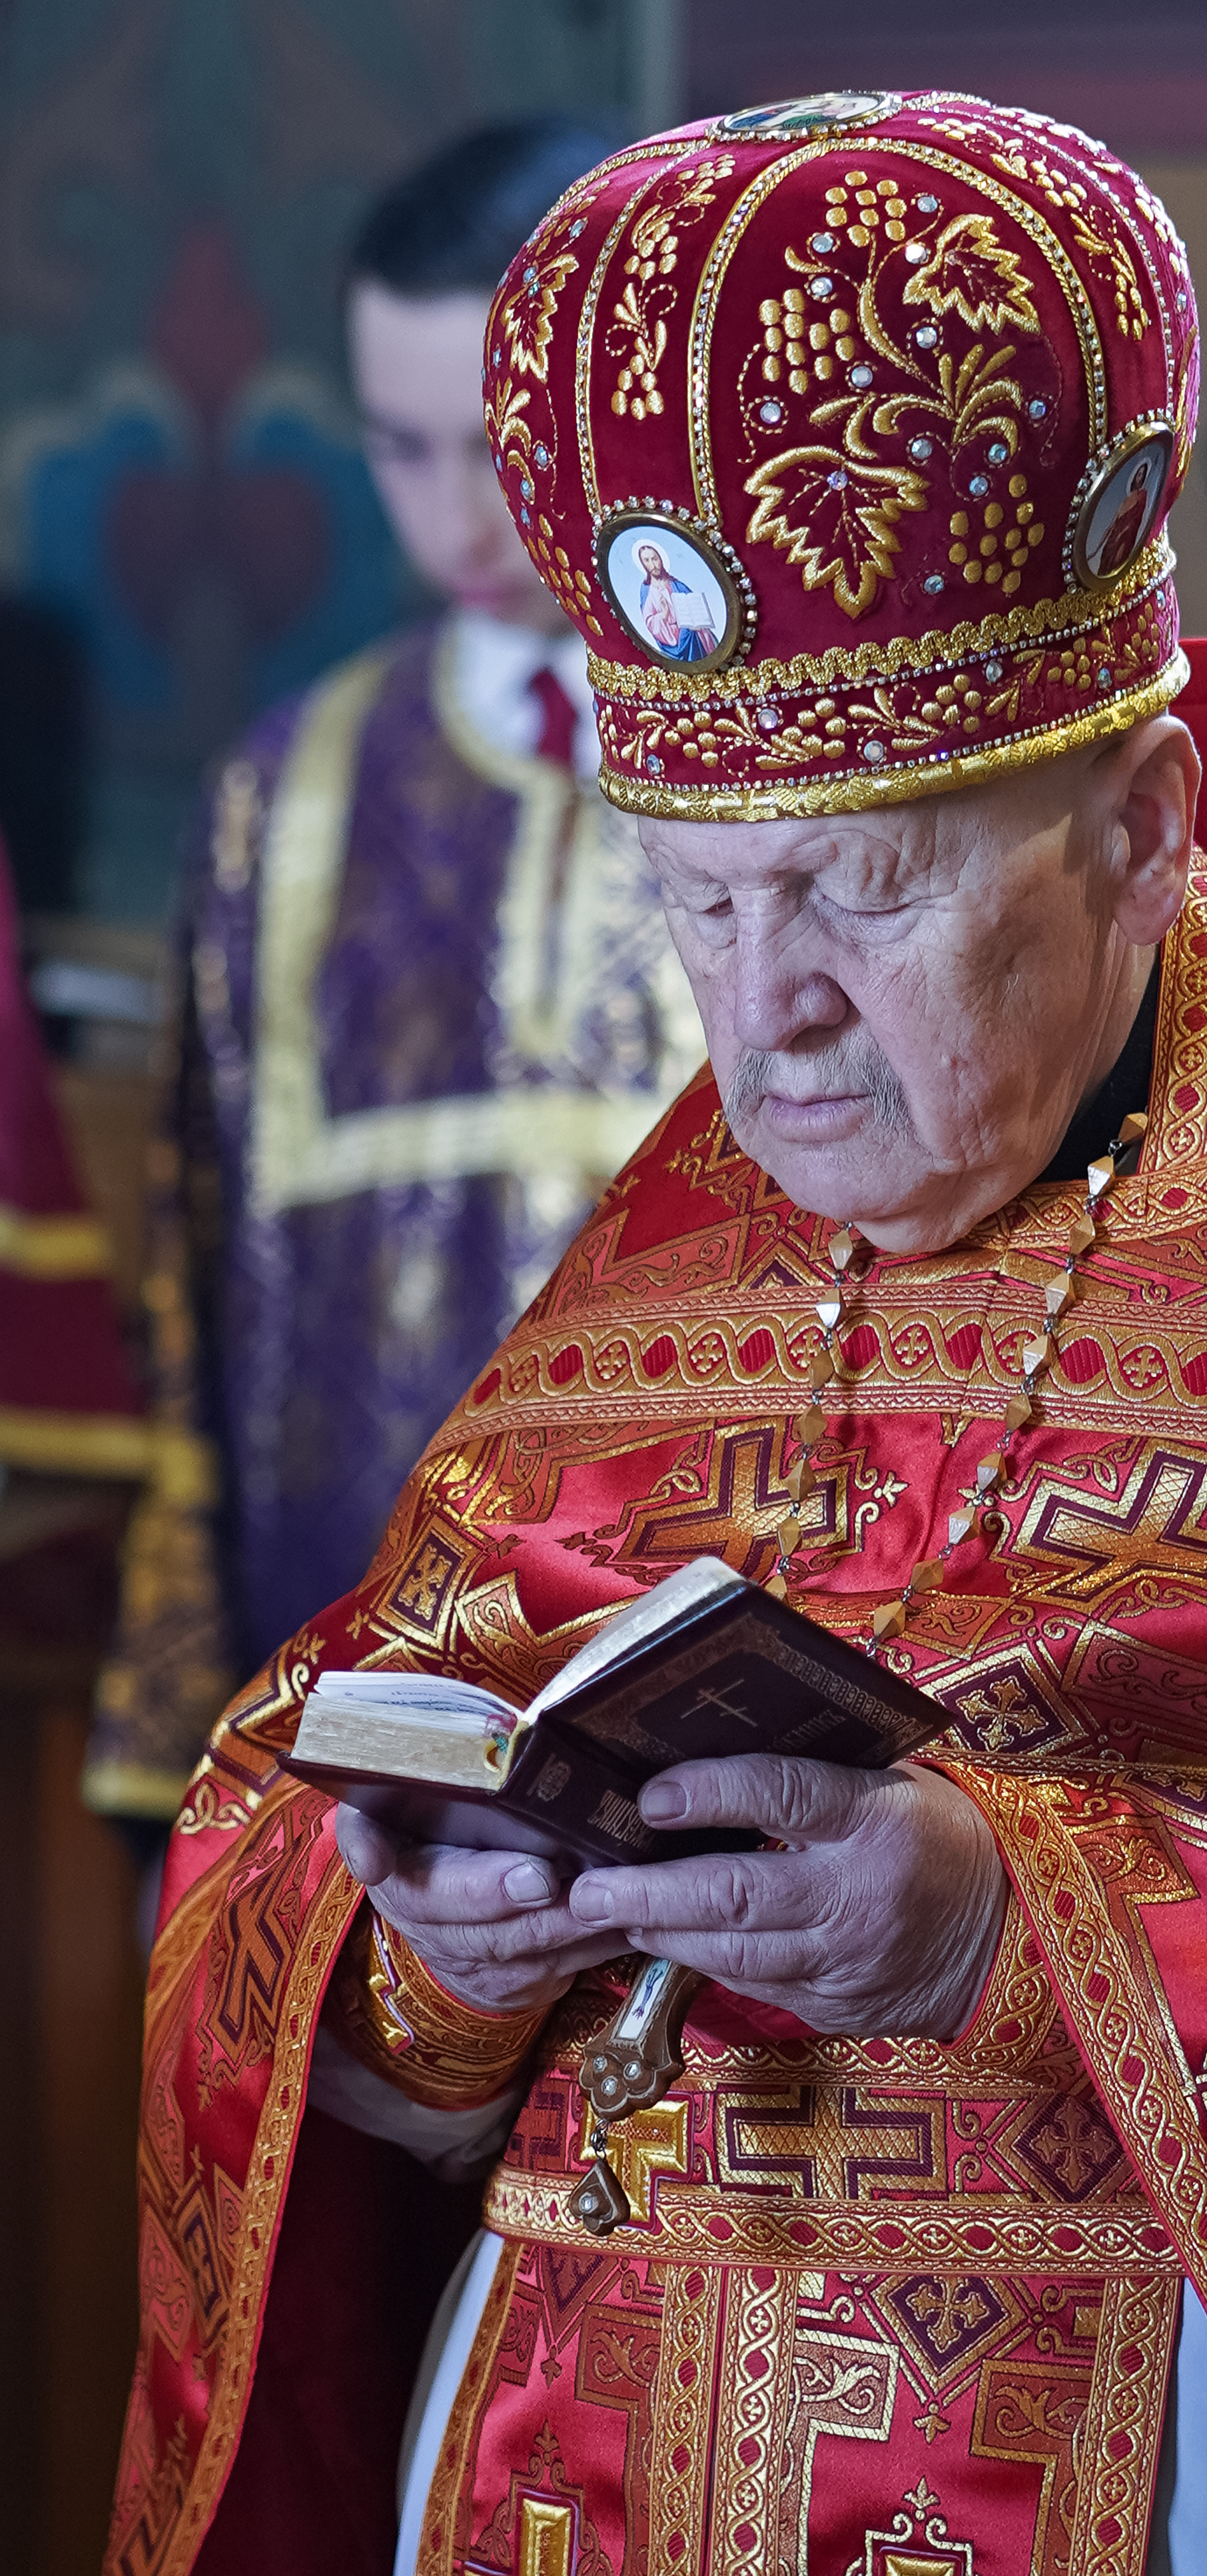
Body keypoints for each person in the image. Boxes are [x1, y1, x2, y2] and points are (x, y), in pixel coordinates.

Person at [110, 95, 1207, 2576]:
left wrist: (1005, 1923)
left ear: (1133, 822)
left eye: (863, 897)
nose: (761, 1030)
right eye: (694, 909)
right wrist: (424, 1957)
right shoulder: (688, 1233)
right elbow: (285, 1868)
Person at [83, 122, 707, 1855]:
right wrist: (182, 1755)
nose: (454, 517)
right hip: (362, 1728)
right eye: (401, 447)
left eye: (497, 449)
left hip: (725, 1690)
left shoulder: (790, 770)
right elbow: (197, 1292)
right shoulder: (281, 798)